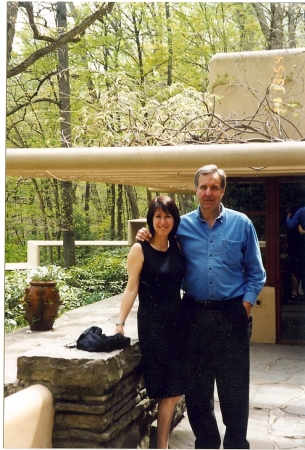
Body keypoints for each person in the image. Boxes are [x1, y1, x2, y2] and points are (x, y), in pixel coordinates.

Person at [136, 164, 266, 449]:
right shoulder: (182, 227)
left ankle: (235, 444)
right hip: (192, 315)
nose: (208, 192)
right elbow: (159, 244)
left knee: (233, 388)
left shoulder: (241, 223)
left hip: (232, 314)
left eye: (214, 187)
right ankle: (206, 443)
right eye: (203, 187)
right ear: (195, 190)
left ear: (222, 190)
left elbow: (257, 273)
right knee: (197, 389)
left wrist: (243, 307)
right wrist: (144, 236)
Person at [115, 196, 185, 449]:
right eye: (157, 216)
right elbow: (131, 288)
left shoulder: (177, 246)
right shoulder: (139, 249)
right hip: (153, 325)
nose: (163, 221)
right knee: (163, 388)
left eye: (167, 216)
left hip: (178, 324)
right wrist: (120, 322)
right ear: (150, 219)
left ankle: (161, 444)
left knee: (175, 391)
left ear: (174, 220)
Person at [285, 205, 304, 301]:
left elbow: (290, 226)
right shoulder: (299, 224)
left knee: (295, 270)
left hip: (295, 249)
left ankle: (294, 292)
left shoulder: (293, 221)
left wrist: (287, 218)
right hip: (299, 248)